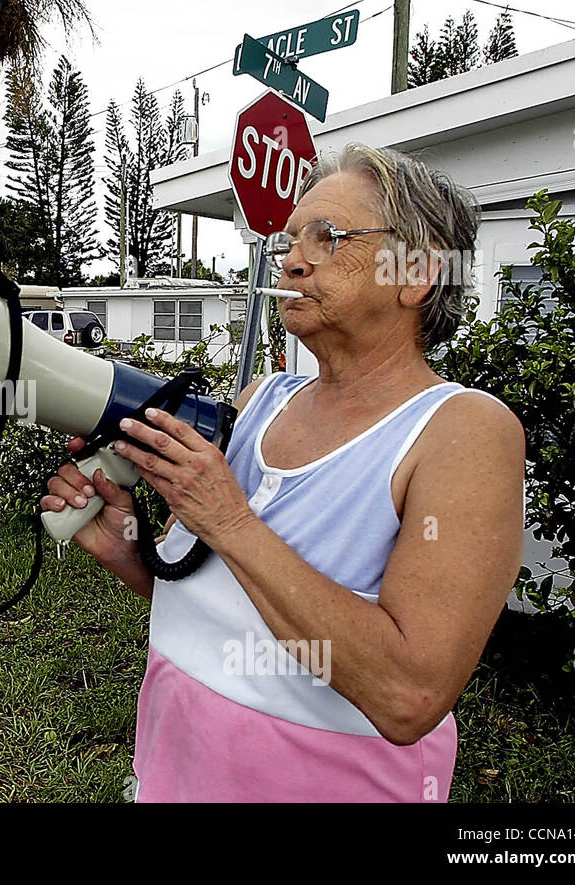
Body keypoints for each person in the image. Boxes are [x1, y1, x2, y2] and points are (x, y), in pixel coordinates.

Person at [42, 144, 525, 802]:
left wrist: (229, 518)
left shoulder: (464, 430)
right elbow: (216, 604)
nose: (294, 259)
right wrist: (124, 549)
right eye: (292, 240)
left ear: (416, 274)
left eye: (327, 237)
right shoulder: (260, 400)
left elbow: (409, 696)